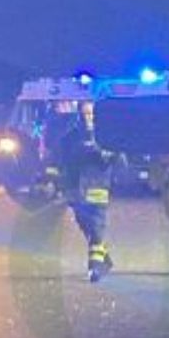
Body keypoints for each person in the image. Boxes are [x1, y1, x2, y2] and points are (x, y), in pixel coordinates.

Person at [58, 108, 113, 282]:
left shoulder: (106, 134)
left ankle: (94, 269)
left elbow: (119, 158)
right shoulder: (70, 137)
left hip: (98, 189)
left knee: (96, 230)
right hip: (76, 191)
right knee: (86, 227)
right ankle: (105, 260)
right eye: (84, 114)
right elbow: (60, 160)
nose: (88, 118)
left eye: (90, 114)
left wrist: (104, 153)